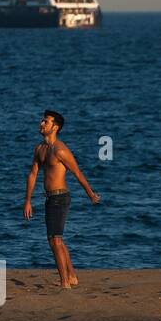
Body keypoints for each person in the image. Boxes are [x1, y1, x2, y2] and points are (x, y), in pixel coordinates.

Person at [23, 109, 100, 289]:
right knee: (56, 239)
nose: (42, 124)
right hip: (49, 199)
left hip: (61, 198)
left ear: (55, 127)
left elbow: (77, 173)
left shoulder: (61, 150)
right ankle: (71, 276)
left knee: (55, 240)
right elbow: (33, 174)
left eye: (46, 122)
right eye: (42, 121)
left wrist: (91, 195)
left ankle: (65, 283)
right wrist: (27, 200)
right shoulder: (40, 149)